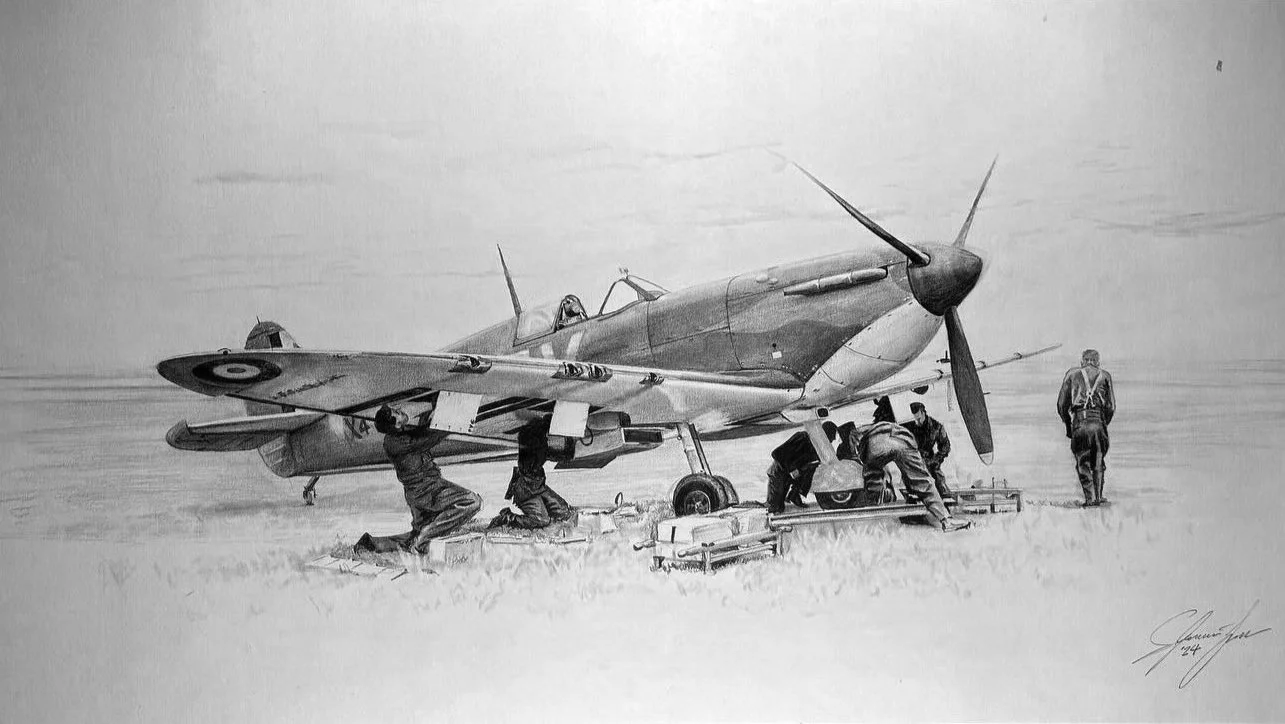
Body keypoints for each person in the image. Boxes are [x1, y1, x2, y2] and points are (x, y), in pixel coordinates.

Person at [353, 404, 482, 554]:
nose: (401, 411)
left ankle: (372, 544)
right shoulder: (398, 443)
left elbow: (420, 434)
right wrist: (456, 424)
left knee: (416, 534)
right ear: (396, 423)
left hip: (418, 492)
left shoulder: (396, 437)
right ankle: (421, 543)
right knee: (472, 502)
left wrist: (429, 420)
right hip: (427, 490)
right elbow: (427, 439)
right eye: (397, 412)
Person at [849, 421, 972, 532]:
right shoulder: (907, 433)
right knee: (922, 482)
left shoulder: (861, 432)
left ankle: (874, 508)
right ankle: (946, 519)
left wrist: (861, 459)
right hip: (902, 440)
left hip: (874, 445)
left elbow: (855, 439)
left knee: (873, 477)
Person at [488, 417, 573, 530]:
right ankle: (507, 518)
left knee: (564, 511)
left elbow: (554, 454)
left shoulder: (538, 445)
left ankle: (545, 519)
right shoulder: (529, 443)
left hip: (538, 487)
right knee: (542, 520)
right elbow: (542, 451)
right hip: (525, 490)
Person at [1056, 349, 1116, 506]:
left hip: (1080, 423)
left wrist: (1068, 425)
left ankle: (1089, 498)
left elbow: (1062, 405)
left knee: (1083, 461)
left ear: (1082, 361)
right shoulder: (1105, 376)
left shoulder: (1071, 374)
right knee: (1098, 460)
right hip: (1099, 423)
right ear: (1097, 362)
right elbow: (1111, 407)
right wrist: (1103, 424)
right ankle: (1098, 497)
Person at [765, 421, 838, 514]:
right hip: (778, 473)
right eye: (832, 436)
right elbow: (777, 453)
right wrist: (792, 470)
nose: (834, 439)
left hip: (788, 476)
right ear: (824, 435)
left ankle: (795, 494)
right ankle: (786, 498)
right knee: (775, 508)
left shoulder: (817, 446)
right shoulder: (802, 437)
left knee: (813, 467)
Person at [902, 401, 953, 499]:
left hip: (930, 461)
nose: (917, 422)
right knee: (909, 486)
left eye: (919, 419)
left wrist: (935, 460)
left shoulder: (936, 426)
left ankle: (946, 500)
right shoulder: (909, 425)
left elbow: (945, 446)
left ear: (923, 413)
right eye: (915, 419)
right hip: (913, 460)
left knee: (939, 482)